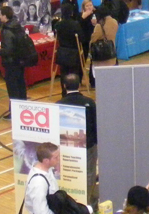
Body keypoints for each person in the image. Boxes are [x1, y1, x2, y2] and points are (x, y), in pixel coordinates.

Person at [56, 74, 98, 206]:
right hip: (88, 146)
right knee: (90, 172)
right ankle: (88, 200)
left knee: (69, 171)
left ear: (64, 86)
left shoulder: (58, 105)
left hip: (67, 147)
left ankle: (71, 199)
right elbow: (95, 124)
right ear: (79, 85)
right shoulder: (89, 102)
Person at [0, 6, 27, 119]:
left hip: (11, 62)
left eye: (0, 14)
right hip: (20, 60)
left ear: (4, 16)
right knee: (21, 85)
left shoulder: (7, 30)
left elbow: (8, 50)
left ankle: (14, 112)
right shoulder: (17, 25)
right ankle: (23, 108)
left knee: (13, 88)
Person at [53, 3, 84, 95]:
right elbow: (81, 38)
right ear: (71, 13)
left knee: (63, 73)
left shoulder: (58, 25)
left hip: (62, 53)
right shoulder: (75, 24)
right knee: (74, 72)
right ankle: (74, 92)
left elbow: (56, 37)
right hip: (73, 53)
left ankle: (64, 91)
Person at [24, 142, 60, 214]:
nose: (59, 159)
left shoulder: (47, 170)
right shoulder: (39, 183)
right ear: (46, 161)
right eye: (56, 157)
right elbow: (40, 211)